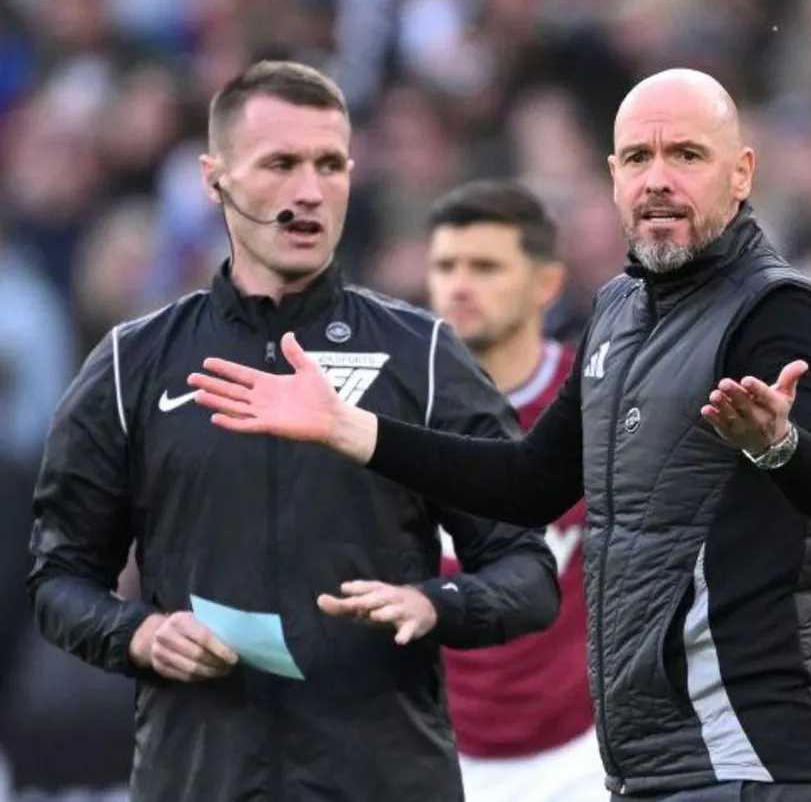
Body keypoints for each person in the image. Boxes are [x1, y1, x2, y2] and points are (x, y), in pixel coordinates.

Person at [188, 67, 811, 802]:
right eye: (638, 158)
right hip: (655, 765)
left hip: (750, 758)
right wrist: (352, 428)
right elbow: (529, 483)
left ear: (742, 174)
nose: (659, 180)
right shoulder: (618, 313)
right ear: (611, 178)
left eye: (687, 156)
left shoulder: (778, 310)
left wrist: (778, 443)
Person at [26, 60, 562, 802]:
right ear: (217, 179)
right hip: (200, 779)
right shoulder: (132, 364)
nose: (310, 190)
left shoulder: (425, 358)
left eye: (331, 164)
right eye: (281, 163)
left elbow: (529, 572)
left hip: (383, 780)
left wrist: (435, 603)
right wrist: (138, 634)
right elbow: (58, 577)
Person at [424, 179, 606, 801]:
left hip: (588, 756)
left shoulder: (601, 402)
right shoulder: (390, 413)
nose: (460, 286)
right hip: (435, 753)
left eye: (486, 266)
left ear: (546, 284)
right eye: (446, 266)